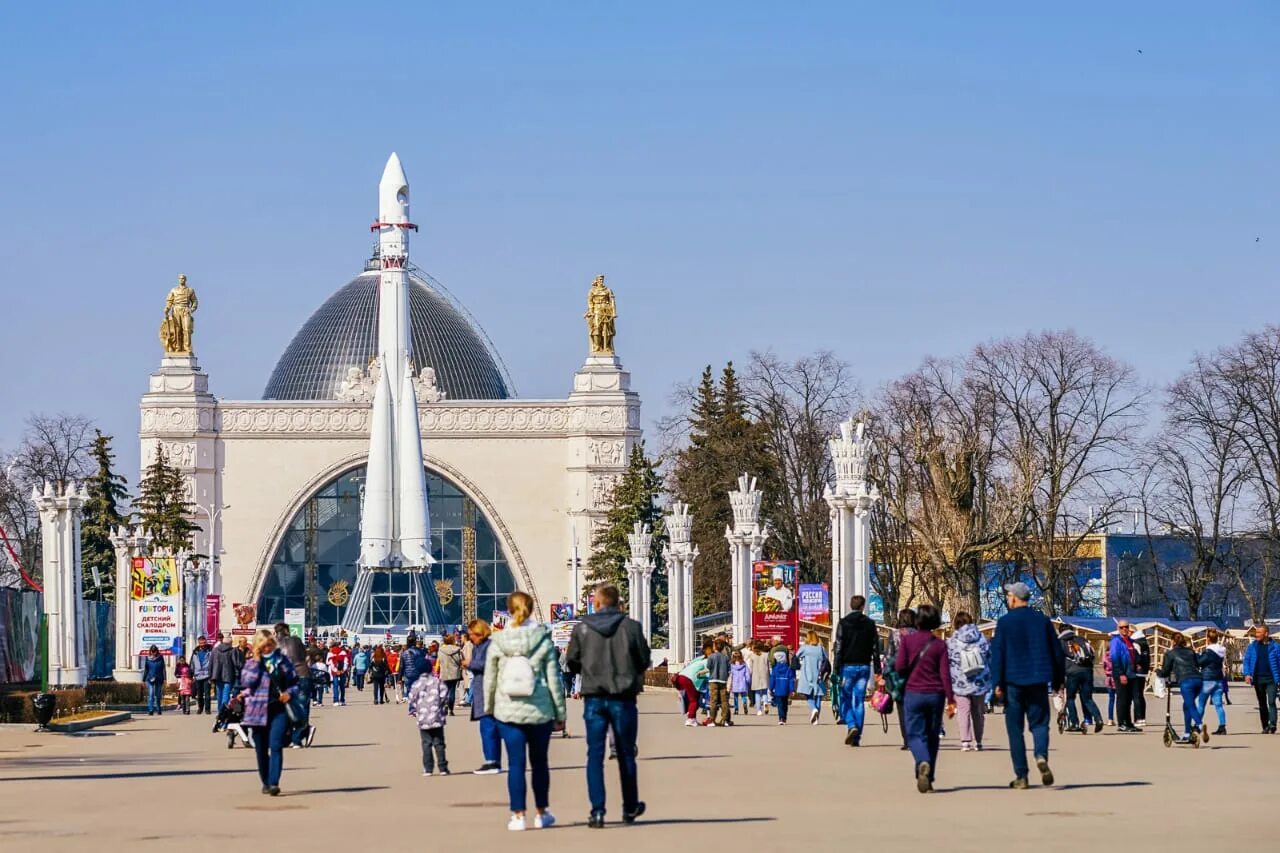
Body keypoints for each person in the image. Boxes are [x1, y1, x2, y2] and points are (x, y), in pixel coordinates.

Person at [565, 583, 651, 829]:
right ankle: (630, 806)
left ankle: (598, 811)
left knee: (594, 754)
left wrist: (589, 672)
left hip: (594, 696)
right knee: (625, 753)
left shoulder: (582, 628)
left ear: (597, 603)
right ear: (617, 603)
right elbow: (644, 659)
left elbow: (571, 661)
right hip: (623, 697)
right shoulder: (631, 627)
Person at [485, 591, 567, 831]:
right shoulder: (542, 639)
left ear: (509, 611)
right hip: (539, 710)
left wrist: (489, 708)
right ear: (531, 610)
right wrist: (560, 714)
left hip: (507, 711)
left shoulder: (498, 641)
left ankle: (518, 815)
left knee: (515, 764)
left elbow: (490, 680)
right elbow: (554, 680)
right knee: (540, 763)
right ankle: (542, 813)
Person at [989, 582, 1064, 790]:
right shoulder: (1043, 621)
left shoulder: (1004, 623)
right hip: (1038, 681)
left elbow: (998, 655)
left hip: (1013, 681)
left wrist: (997, 683)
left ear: (1014, 597)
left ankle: (1021, 775)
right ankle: (1041, 755)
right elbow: (1057, 653)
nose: (1007, 598)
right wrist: (1058, 680)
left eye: (1008, 595)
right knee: (1039, 724)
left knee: (1015, 730)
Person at [896, 604, 954, 794]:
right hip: (936, 695)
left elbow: (900, 666)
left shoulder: (908, 641)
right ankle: (928, 777)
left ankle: (923, 762)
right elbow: (945, 674)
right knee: (932, 736)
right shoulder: (939, 644)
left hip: (913, 693)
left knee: (914, 734)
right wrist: (951, 699)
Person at [238, 628, 299, 796]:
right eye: (264, 646)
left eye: (270, 645)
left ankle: (273, 782)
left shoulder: (282, 661)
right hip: (257, 711)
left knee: (276, 745)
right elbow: (246, 682)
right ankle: (265, 781)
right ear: (258, 646)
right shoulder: (252, 663)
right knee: (261, 749)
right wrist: (257, 664)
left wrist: (289, 693)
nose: (267, 649)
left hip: (278, 709)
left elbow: (295, 682)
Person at [834, 595, 881, 746]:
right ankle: (857, 737)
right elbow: (875, 648)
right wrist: (878, 670)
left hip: (848, 666)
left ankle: (851, 724)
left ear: (850, 605)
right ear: (863, 607)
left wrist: (836, 668)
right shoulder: (870, 623)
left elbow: (839, 647)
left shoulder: (843, 623)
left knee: (844, 697)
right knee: (859, 700)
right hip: (864, 666)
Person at [946, 611, 991, 752]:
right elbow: (989, 657)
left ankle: (965, 741)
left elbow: (947, 661)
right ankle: (978, 741)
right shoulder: (982, 638)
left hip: (960, 682)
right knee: (978, 712)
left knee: (963, 712)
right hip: (980, 681)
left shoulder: (952, 641)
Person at [468, 620, 504, 774]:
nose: (470, 638)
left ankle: (492, 761)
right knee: (488, 727)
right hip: (482, 690)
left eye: (472, 635)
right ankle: (492, 760)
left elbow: (489, 665)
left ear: (479, 633)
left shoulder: (489, 646)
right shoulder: (479, 647)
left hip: (488, 691)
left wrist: (470, 664)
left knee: (488, 727)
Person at [1158, 633, 1208, 744]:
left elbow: (1165, 671)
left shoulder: (1170, 654)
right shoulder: (1190, 651)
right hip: (1199, 680)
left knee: (1190, 705)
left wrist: (1158, 672)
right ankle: (1186, 733)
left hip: (1186, 681)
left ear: (1172, 641)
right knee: (1186, 705)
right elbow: (1198, 663)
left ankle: (1199, 725)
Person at [273, 623, 316, 749]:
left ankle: (294, 737)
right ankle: (299, 735)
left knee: (286, 707)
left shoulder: (275, 645)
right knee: (303, 705)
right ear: (287, 630)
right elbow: (304, 656)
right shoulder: (296, 640)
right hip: (303, 673)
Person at [408, 659, 451, 776]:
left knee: (426, 743)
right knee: (439, 742)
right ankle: (443, 767)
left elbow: (411, 698)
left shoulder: (416, 684)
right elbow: (444, 694)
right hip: (436, 716)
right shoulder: (437, 682)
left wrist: (415, 708)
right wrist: (440, 705)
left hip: (423, 718)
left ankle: (428, 768)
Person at [882, 608, 918, 750]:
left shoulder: (895, 634)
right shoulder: (919, 634)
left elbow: (889, 656)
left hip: (899, 676)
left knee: (902, 709)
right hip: (917, 675)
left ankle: (907, 740)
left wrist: (885, 674)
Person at [1059, 628, 1103, 734]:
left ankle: (1074, 723)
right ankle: (1098, 718)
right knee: (1087, 698)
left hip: (1072, 673)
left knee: (1070, 698)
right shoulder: (1082, 639)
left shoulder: (1061, 642)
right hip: (1087, 671)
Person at [1243, 623, 1280, 734]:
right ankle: (1265, 726)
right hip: (1258, 679)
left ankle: (1272, 724)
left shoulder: (1275, 647)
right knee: (1262, 703)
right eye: (1256, 632)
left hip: (1271, 679)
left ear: (1266, 633)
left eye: (1259, 632)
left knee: (1272, 702)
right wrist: (1247, 674)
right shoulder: (1252, 646)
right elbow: (1247, 661)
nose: (1256, 634)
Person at [1108, 621, 1141, 732]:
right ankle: (1121, 723)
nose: (1124, 629)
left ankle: (1128, 722)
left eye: (1126, 627)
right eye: (1122, 627)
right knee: (1122, 699)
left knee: (1129, 700)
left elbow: (1133, 655)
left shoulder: (1130, 641)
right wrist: (1121, 673)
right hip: (1121, 674)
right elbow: (1115, 658)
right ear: (1118, 628)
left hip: (1131, 673)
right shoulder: (1116, 641)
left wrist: (1137, 663)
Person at [1197, 628, 1229, 735]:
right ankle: (1222, 726)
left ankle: (1197, 726)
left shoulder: (1208, 651)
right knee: (1218, 705)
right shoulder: (1221, 650)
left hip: (1207, 679)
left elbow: (1200, 662)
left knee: (1201, 704)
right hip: (1218, 679)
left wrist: (1197, 655)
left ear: (1208, 639)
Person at [796, 630, 829, 725]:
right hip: (819, 674)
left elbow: (797, 655)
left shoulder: (805, 648)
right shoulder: (821, 648)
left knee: (808, 694)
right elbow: (825, 659)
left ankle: (813, 709)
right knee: (818, 695)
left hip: (807, 673)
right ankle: (816, 718)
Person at [673, 646, 710, 726]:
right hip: (689, 679)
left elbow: (689, 664)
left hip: (680, 676)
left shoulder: (699, 659)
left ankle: (691, 716)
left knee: (689, 698)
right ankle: (691, 719)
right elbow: (708, 674)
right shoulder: (707, 661)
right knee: (694, 699)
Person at [210, 632, 237, 729]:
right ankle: (223, 716)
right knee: (226, 697)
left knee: (220, 696)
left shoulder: (215, 650)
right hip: (228, 676)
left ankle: (219, 714)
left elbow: (211, 664)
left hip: (217, 676)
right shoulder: (232, 651)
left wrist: (211, 676)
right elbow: (234, 664)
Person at [706, 639, 732, 726]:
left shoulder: (711, 656)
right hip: (723, 680)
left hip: (713, 680)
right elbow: (729, 669)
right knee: (724, 701)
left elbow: (708, 667)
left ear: (714, 646)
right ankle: (724, 720)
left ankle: (712, 720)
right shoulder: (726, 657)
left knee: (713, 701)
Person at [437, 633, 464, 715]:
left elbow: (439, 661)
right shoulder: (457, 649)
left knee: (445, 690)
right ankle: (450, 709)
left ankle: (445, 703)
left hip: (444, 672)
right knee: (452, 690)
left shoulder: (440, 650)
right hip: (454, 672)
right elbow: (461, 661)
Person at [769, 647, 797, 725]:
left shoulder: (775, 669)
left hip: (777, 690)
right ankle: (784, 717)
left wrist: (771, 688)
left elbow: (772, 679)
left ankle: (781, 718)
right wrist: (792, 690)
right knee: (785, 704)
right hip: (786, 689)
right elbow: (791, 680)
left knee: (780, 705)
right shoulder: (788, 669)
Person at [1131, 628, 1152, 727]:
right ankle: (1142, 717)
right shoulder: (1144, 642)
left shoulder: (1135, 643)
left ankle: (1138, 718)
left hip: (1137, 672)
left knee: (1136, 696)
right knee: (1140, 695)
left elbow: (1137, 657)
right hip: (1144, 671)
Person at [744, 641, 771, 715]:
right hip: (764, 674)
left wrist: (750, 675)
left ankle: (759, 710)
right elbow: (768, 665)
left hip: (755, 675)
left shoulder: (752, 655)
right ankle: (765, 703)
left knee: (757, 693)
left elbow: (750, 667)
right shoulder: (766, 655)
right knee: (765, 692)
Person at [399, 634, 428, 703]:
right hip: (417, 673)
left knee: (410, 689)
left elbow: (402, 666)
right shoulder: (420, 651)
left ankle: (412, 708)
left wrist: (399, 678)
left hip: (408, 674)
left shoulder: (404, 653)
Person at [189, 636, 212, 715]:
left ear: (206, 642)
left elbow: (213, 662)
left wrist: (212, 675)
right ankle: (200, 708)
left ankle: (207, 709)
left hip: (207, 675)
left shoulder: (210, 651)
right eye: (200, 643)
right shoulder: (195, 652)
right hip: (198, 675)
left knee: (207, 693)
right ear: (198, 643)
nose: (202, 644)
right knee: (199, 694)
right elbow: (192, 663)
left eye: (203, 643)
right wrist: (191, 675)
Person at [142, 645, 167, 715]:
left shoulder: (160, 658)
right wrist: (143, 680)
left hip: (159, 678)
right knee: (151, 694)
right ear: (150, 651)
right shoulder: (148, 658)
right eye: (152, 651)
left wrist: (165, 678)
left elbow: (163, 668)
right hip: (150, 678)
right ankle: (151, 710)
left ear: (157, 651)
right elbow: (146, 669)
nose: (154, 653)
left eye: (155, 651)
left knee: (158, 695)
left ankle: (159, 709)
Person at [326, 642, 349, 706]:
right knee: (342, 686)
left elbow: (328, 663)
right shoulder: (343, 652)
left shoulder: (330, 653)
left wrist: (336, 671)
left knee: (335, 686)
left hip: (334, 672)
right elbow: (346, 662)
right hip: (342, 671)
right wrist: (343, 670)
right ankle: (342, 700)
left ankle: (335, 701)